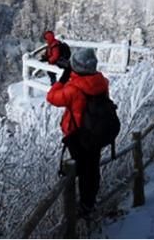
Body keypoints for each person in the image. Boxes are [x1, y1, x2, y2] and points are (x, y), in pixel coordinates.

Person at [46, 48, 108, 215]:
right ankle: (90, 201)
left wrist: (63, 78)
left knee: (80, 170)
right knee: (92, 167)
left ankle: (82, 207)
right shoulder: (102, 82)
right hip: (96, 133)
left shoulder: (74, 89)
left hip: (79, 135)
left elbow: (51, 97)